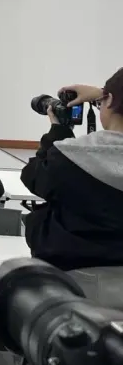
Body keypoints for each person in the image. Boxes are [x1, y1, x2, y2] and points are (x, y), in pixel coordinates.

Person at [22, 71, 123, 270]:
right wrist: (102, 93)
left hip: (72, 276)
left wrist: (58, 131)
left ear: (110, 100)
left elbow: (32, 176)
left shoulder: (69, 157)